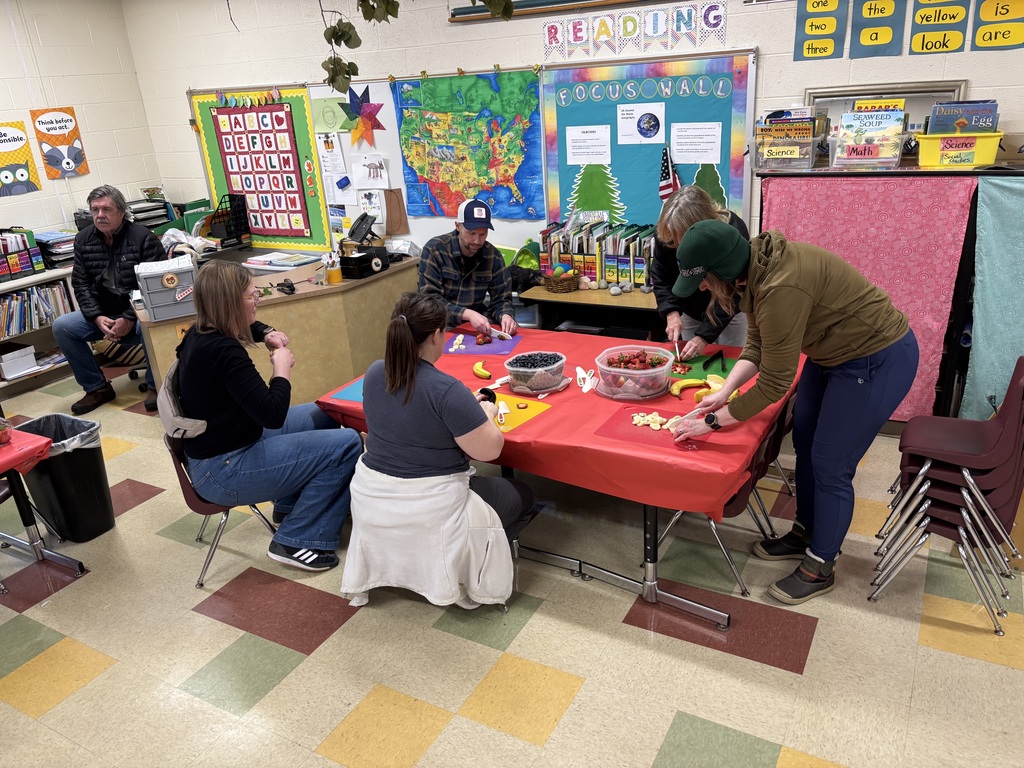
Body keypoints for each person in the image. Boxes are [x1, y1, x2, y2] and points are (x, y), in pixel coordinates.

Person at [669, 220, 919, 604]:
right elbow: (757, 343)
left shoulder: (781, 286)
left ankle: (822, 565)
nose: (702, 287)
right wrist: (726, 393)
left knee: (830, 463)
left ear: (723, 269)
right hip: (830, 354)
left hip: (875, 357)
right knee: (803, 439)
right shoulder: (754, 272)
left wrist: (711, 422)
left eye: (704, 279)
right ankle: (806, 532)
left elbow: (773, 382)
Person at [342, 292, 536, 607]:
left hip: (373, 501)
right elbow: (490, 450)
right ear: (436, 336)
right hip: (429, 506)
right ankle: (465, 568)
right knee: (521, 497)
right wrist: (486, 415)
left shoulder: (376, 372)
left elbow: (407, 415)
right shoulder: (447, 390)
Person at [175, 260, 362, 572]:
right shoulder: (224, 352)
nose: (258, 299)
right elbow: (272, 414)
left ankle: (290, 507)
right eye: (252, 295)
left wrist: (266, 332)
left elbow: (246, 326)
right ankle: (297, 539)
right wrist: (282, 369)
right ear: (230, 303)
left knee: (325, 414)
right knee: (347, 444)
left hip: (227, 447)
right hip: (224, 470)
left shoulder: (200, 332)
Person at [52, 185, 163, 414]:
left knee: (149, 325)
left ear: (121, 212)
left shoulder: (143, 238)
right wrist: (96, 316)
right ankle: (97, 388)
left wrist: (129, 317)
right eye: (95, 210)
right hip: (105, 313)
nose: (100, 215)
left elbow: (154, 285)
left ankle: (157, 385)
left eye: (106, 209)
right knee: (63, 326)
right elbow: (80, 284)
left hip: (140, 312)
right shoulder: (83, 239)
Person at [653, 186, 749, 359]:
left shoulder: (732, 232)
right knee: (693, 359)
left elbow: (736, 290)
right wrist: (671, 312)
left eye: (681, 237)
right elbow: (661, 276)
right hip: (690, 308)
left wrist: (704, 336)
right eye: (672, 240)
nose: (676, 244)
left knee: (731, 360)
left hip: (728, 309)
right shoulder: (665, 234)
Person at [418, 199, 518, 337]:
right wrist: (467, 314)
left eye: (483, 234)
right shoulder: (435, 251)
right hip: (439, 328)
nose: (477, 241)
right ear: (458, 226)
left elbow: (502, 300)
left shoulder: (493, 256)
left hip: (475, 329)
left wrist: (505, 315)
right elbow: (429, 301)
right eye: (471, 233)